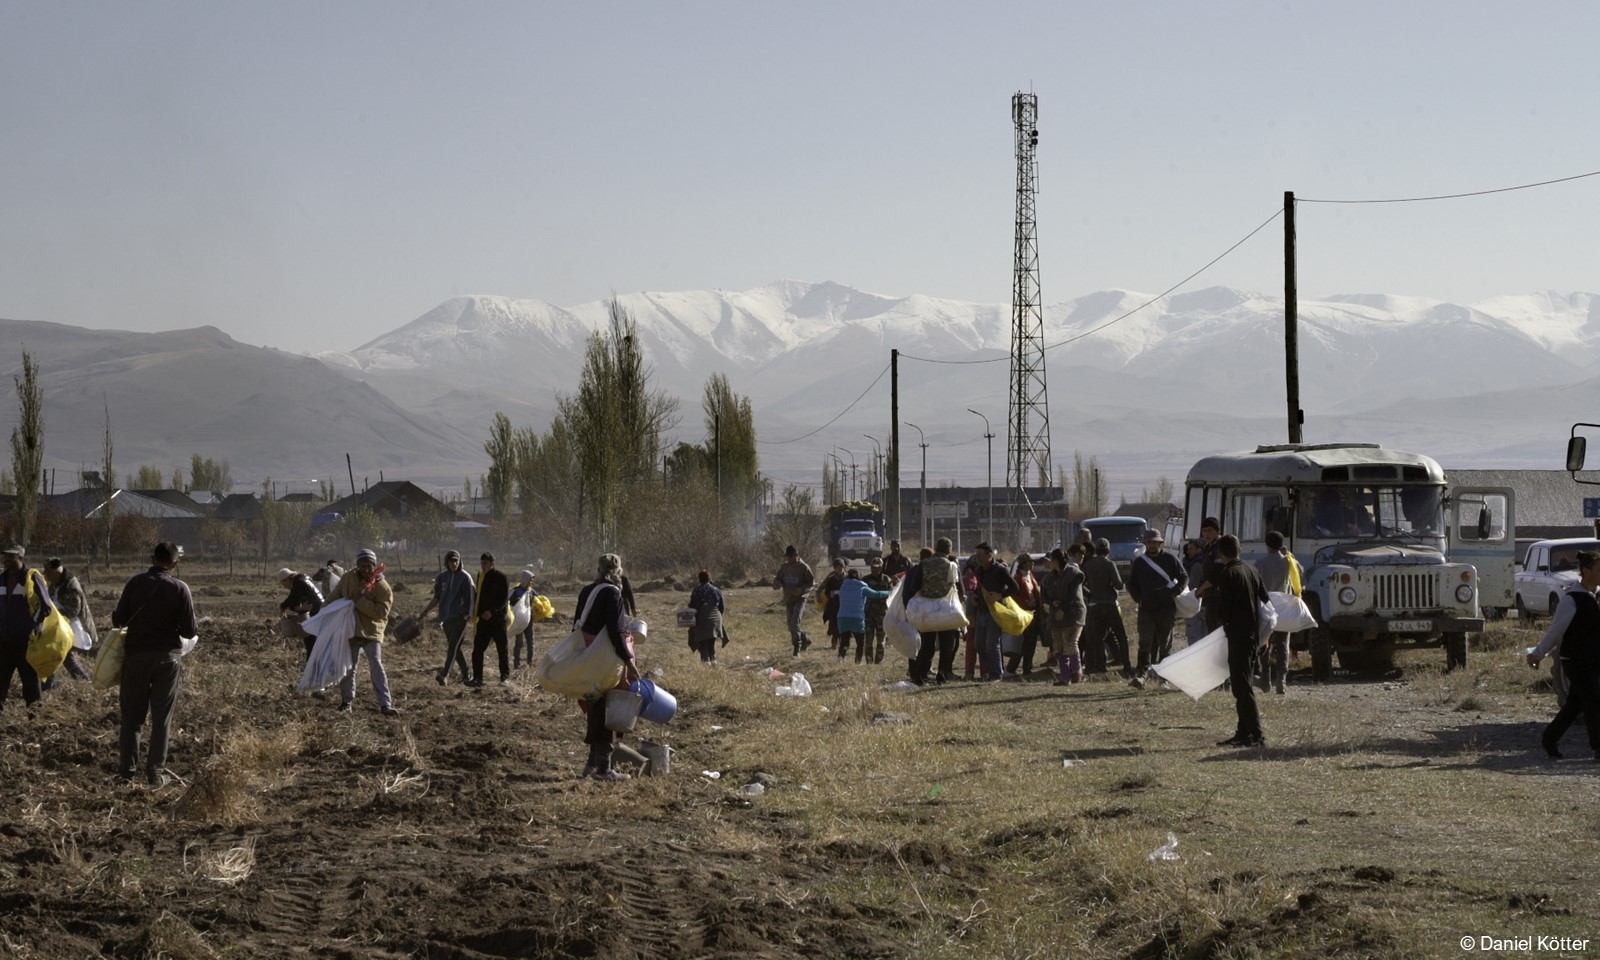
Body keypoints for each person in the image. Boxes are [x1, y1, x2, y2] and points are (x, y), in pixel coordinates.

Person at [111, 541, 198, 785]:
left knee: (132, 718)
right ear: (175, 563)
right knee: (162, 719)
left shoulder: (134, 584)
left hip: (136, 657)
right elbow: (190, 631)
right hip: (167, 659)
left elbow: (119, 621)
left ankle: (126, 774)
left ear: (152, 559)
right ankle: (155, 774)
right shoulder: (180, 588)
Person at [1527, 549, 1600, 760]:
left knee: (1575, 704)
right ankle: (1598, 746)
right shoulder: (1572, 599)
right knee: (1594, 701)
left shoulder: (1594, 596)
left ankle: (1549, 738)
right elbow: (1555, 632)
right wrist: (1537, 654)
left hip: (1593, 660)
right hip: (1575, 661)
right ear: (1586, 571)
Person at [576, 553, 640, 781]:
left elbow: (577, 624)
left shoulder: (587, 591)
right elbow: (616, 632)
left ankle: (591, 764)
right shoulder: (613, 593)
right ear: (618, 570)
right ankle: (603, 769)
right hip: (605, 660)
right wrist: (628, 662)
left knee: (594, 706)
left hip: (586, 657)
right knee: (606, 709)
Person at [327, 548, 398, 716]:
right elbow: (334, 597)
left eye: (369, 566)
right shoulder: (347, 579)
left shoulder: (382, 587)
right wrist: (323, 614)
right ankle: (346, 702)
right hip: (351, 630)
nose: (366, 569)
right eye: (363, 565)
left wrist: (360, 602)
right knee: (349, 668)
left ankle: (385, 704)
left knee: (376, 665)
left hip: (372, 631)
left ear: (374, 566)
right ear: (358, 565)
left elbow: (381, 613)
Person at [1214, 534, 1269, 748]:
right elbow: (1266, 600)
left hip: (1238, 634)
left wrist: (1221, 620)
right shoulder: (1251, 570)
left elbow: (1223, 610)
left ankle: (1256, 734)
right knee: (1242, 683)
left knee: (1242, 686)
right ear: (1239, 549)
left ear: (1221, 552)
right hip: (1253, 634)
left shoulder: (1228, 573)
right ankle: (1243, 732)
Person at [1128, 529, 1187, 688]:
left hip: (1166, 608)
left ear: (1160, 543)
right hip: (1146, 609)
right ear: (1145, 543)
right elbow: (1131, 584)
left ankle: (1164, 678)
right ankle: (1141, 675)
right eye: (1149, 542)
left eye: (1155, 542)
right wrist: (1139, 599)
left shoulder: (1170, 559)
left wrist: (1174, 592)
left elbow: (1183, 577)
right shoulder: (1140, 562)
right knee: (1145, 642)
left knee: (1165, 644)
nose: (1152, 545)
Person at [0, 545, 54, 712]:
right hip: (4, 640)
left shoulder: (31, 577)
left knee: (30, 684)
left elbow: (46, 606)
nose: (6, 560)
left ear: (21, 559)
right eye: (5, 557)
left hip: (25, 641)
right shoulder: (1, 579)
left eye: (11, 557)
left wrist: (34, 625)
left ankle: (35, 719)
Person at [903, 537, 963, 685]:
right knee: (946, 646)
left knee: (927, 645)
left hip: (927, 612)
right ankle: (942, 675)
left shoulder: (923, 564)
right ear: (949, 550)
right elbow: (960, 590)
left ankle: (920, 676)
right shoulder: (952, 565)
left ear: (936, 548)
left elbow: (914, 587)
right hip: (946, 611)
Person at [420, 550, 474, 685]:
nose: (454, 563)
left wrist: (466, 613)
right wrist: (426, 611)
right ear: (447, 562)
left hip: (460, 618)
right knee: (455, 647)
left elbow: (471, 597)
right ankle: (466, 675)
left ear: (459, 561)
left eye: (456, 561)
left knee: (453, 646)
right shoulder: (441, 578)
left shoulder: (465, 578)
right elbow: (437, 597)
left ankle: (445, 674)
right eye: (451, 561)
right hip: (446, 617)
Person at [970, 543, 1019, 682]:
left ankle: (996, 674)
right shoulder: (979, 570)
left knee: (992, 644)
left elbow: (1014, 587)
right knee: (978, 644)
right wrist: (975, 596)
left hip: (995, 612)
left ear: (989, 555)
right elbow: (978, 587)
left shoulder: (1000, 570)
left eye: (980, 555)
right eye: (976, 555)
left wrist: (1000, 595)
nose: (978, 558)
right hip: (981, 611)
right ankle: (995, 667)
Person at [1255, 531, 1295, 695]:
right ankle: (1282, 680)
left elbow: (1255, 582)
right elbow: (1299, 572)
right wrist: (1288, 554)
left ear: (1267, 545)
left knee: (1265, 643)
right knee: (1283, 643)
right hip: (1284, 607)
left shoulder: (1261, 563)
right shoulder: (1288, 562)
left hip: (1266, 606)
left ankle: (1265, 679)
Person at [1039, 545, 1087, 685]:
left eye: (1052, 560)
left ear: (1057, 561)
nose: (1050, 563)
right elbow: (1044, 595)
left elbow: (1073, 594)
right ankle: (1064, 676)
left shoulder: (1073, 573)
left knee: (1070, 643)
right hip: (1056, 616)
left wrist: (1063, 609)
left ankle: (1076, 673)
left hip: (1073, 614)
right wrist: (1052, 602)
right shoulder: (1049, 578)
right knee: (1058, 646)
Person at [1082, 538, 1129, 676]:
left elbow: (1081, 582)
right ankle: (1126, 666)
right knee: (1121, 636)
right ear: (1108, 550)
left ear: (1096, 550)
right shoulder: (1109, 564)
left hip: (1094, 606)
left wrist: (1090, 594)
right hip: (1109, 605)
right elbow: (1118, 584)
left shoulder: (1089, 564)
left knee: (1096, 638)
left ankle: (1099, 668)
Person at [43, 557, 94, 683]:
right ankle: (83, 680)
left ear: (56, 571)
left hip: (73, 627)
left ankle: (50, 684)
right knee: (60, 655)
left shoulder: (71, 585)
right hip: (61, 627)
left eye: (48, 572)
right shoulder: (56, 583)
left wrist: (53, 615)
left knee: (57, 654)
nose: (47, 575)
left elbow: (73, 610)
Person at [470, 552, 510, 687]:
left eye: (485, 563)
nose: (483, 565)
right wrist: (478, 612)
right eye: (481, 562)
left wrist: (492, 612)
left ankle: (504, 677)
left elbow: (503, 600)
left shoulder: (501, 578)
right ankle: (477, 678)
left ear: (492, 563)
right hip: (483, 621)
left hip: (498, 620)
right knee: (477, 649)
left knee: (502, 650)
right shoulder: (481, 577)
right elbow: (479, 598)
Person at [835, 568, 891, 663]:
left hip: (842, 617)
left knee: (844, 641)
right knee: (860, 643)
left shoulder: (843, 586)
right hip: (856, 618)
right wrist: (890, 592)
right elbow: (877, 594)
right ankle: (857, 662)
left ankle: (841, 658)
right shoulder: (862, 588)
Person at [1004, 553, 1043, 676]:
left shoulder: (1030, 576)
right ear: (1024, 563)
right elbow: (1013, 597)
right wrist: (1026, 603)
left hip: (1032, 614)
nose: (1032, 564)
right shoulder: (1017, 578)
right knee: (1022, 643)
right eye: (1030, 562)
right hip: (1023, 614)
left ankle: (1027, 668)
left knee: (1030, 643)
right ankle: (1011, 668)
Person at [275, 566, 324, 661]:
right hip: (319, 610)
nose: (284, 587)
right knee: (311, 639)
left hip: (317, 611)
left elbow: (292, 598)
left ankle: (311, 665)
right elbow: (294, 602)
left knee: (310, 640)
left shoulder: (299, 583)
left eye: (283, 584)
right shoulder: (303, 579)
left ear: (287, 580)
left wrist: (283, 606)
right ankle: (312, 664)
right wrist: (298, 608)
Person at [774, 546, 815, 656]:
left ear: (796, 556)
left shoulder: (804, 567)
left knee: (794, 623)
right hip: (789, 599)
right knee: (790, 627)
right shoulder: (785, 567)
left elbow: (811, 583)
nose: (789, 559)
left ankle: (797, 648)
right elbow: (778, 579)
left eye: (791, 557)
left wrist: (801, 590)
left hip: (800, 599)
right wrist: (777, 584)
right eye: (787, 557)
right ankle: (805, 638)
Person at [862, 556, 895, 664]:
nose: (875, 570)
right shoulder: (865, 580)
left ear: (881, 568)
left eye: (877, 568)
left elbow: (891, 595)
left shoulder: (887, 580)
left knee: (881, 641)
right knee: (868, 640)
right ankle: (869, 661)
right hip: (868, 613)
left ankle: (878, 662)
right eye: (873, 567)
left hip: (882, 614)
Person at [689, 570, 724, 664]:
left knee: (702, 643)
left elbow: (692, 606)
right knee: (711, 642)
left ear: (699, 579)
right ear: (709, 578)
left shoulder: (697, 590)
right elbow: (721, 607)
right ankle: (713, 661)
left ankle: (706, 662)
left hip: (703, 618)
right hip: (716, 618)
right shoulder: (716, 590)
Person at [509, 570, 538, 669]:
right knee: (519, 642)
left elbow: (537, 602)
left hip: (529, 621)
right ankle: (516, 664)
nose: (531, 582)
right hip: (519, 621)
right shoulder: (516, 591)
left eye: (532, 580)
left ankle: (530, 663)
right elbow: (509, 604)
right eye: (530, 580)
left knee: (530, 641)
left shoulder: (532, 592)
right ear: (525, 580)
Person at [820, 559, 848, 649]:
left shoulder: (848, 579)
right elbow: (827, 591)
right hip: (834, 605)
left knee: (844, 624)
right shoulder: (831, 580)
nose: (839, 569)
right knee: (834, 623)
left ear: (844, 567)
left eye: (841, 567)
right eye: (837, 567)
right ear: (834, 568)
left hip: (845, 605)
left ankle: (843, 644)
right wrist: (832, 594)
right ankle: (834, 643)